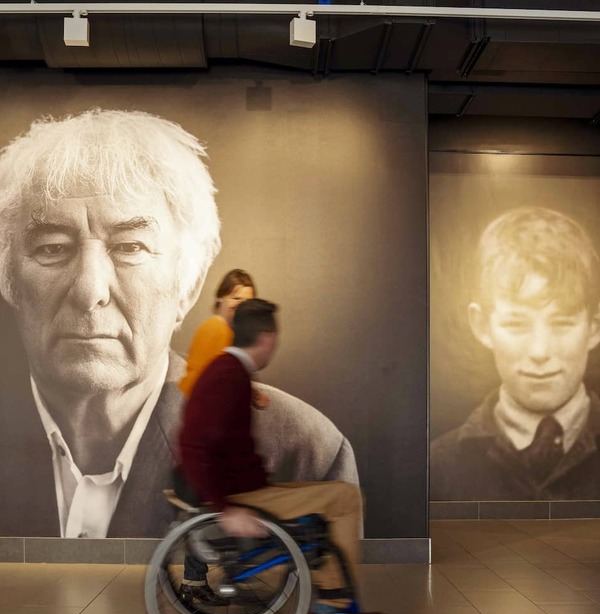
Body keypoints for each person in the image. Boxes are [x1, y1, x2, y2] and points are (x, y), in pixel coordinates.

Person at [0, 108, 359, 539]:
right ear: (7, 278)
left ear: (188, 286)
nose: (89, 290)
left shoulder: (304, 452)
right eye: (53, 248)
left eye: (130, 246)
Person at [179, 299, 391, 614]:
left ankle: (332, 603)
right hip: (244, 496)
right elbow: (192, 444)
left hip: (249, 489)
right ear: (267, 339)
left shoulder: (228, 371)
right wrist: (225, 509)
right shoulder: (227, 376)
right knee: (345, 498)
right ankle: (333, 611)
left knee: (332, 502)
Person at [430, 206, 600, 501]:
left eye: (562, 323)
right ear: (482, 326)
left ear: (594, 328)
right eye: (516, 324)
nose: (540, 351)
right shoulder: (437, 469)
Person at [179, 269, 256, 397]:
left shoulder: (236, 334)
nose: (241, 305)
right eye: (236, 298)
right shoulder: (214, 328)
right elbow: (195, 379)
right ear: (220, 297)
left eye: (247, 302)